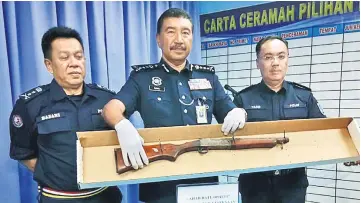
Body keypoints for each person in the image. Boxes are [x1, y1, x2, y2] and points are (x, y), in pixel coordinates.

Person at [102, 8, 247, 203]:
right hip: (161, 185)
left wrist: (239, 113)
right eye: (171, 32)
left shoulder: (208, 77)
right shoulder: (142, 78)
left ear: (192, 38)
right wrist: (122, 125)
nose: (179, 39)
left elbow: (229, 112)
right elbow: (111, 109)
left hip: (203, 184)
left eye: (185, 32)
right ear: (158, 39)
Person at [9, 26, 122, 203]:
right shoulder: (30, 105)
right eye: (64, 58)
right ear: (49, 65)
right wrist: (55, 174)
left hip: (105, 197)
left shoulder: (107, 99)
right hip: (58, 198)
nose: (74, 63)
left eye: (78, 56)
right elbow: (24, 153)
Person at [233, 36, 326, 203]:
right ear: (258, 63)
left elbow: (325, 132)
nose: (275, 63)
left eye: (281, 56)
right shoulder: (243, 99)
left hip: (292, 183)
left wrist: (350, 151)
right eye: (268, 57)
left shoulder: (304, 96)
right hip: (255, 184)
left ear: (287, 60)